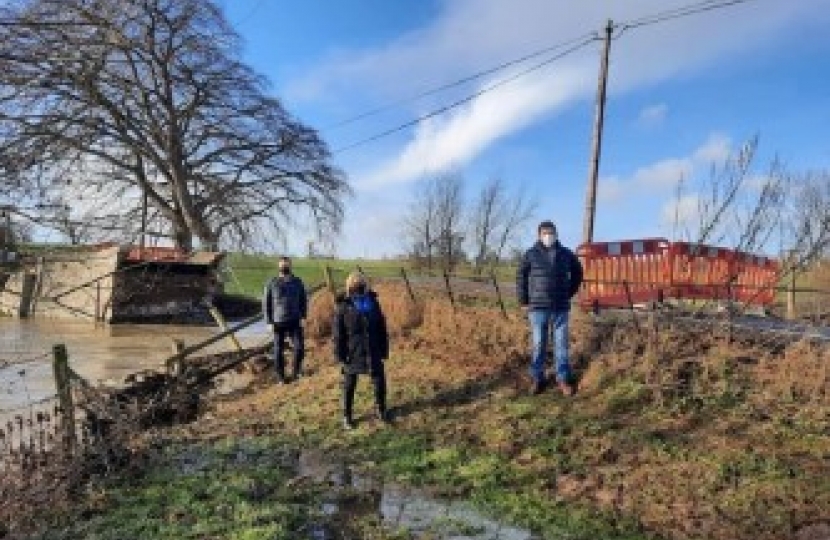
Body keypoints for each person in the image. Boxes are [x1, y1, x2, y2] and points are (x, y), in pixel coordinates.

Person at [517, 220, 584, 396]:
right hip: (537, 307)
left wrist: (568, 292)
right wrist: (523, 300)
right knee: (539, 344)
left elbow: (578, 273)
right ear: (539, 235)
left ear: (556, 234)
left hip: (560, 307)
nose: (549, 236)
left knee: (561, 344)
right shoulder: (530, 254)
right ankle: (537, 378)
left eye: (551, 232)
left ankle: (563, 379)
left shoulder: (566, 254)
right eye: (545, 233)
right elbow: (521, 277)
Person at [333, 271, 391, 430]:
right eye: (356, 283)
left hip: (373, 348)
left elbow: (381, 327)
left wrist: (384, 349)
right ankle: (347, 415)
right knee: (349, 384)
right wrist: (340, 355)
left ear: (365, 284)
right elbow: (338, 334)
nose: (359, 285)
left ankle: (381, 409)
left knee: (379, 380)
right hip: (353, 351)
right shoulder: (343, 305)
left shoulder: (373, 302)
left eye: (361, 282)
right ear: (350, 286)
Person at [262, 256, 307, 383]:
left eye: (286, 265)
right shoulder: (272, 283)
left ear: (290, 266)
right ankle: (281, 377)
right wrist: (268, 322)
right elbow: (266, 303)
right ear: (279, 267)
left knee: (299, 348)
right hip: (278, 321)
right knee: (278, 350)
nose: (284, 267)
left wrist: (304, 316)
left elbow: (303, 300)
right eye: (282, 265)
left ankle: (296, 373)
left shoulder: (298, 282)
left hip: (295, 320)